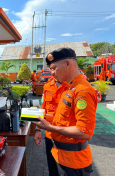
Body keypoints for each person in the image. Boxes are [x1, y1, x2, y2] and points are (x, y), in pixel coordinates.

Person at [34, 48, 97, 176]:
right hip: (62, 156)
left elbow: (84, 132)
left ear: (68, 63)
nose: (51, 73)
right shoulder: (70, 88)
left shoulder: (82, 90)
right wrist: (40, 119)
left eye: (54, 68)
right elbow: (61, 118)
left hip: (74, 162)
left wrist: (50, 127)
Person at [34, 76, 67, 176]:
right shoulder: (47, 86)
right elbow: (43, 107)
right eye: (51, 68)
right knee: (52, 166)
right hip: (50, 135)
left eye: (55, 67)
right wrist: (37, 129)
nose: (53, 71)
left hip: (65, 135)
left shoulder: (71, 86)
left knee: (67, 168)